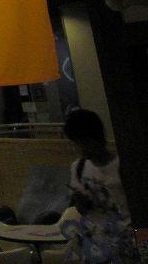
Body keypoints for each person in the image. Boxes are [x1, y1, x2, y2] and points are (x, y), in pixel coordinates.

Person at [61, 108, 137, 262]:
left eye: (82, 141)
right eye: (76, 142)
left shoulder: (122, 165)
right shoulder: (78, 167)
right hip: (94, 245)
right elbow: (82, 210)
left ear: (95, 138)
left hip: (126, 242)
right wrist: (81, 202)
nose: (79, 148)